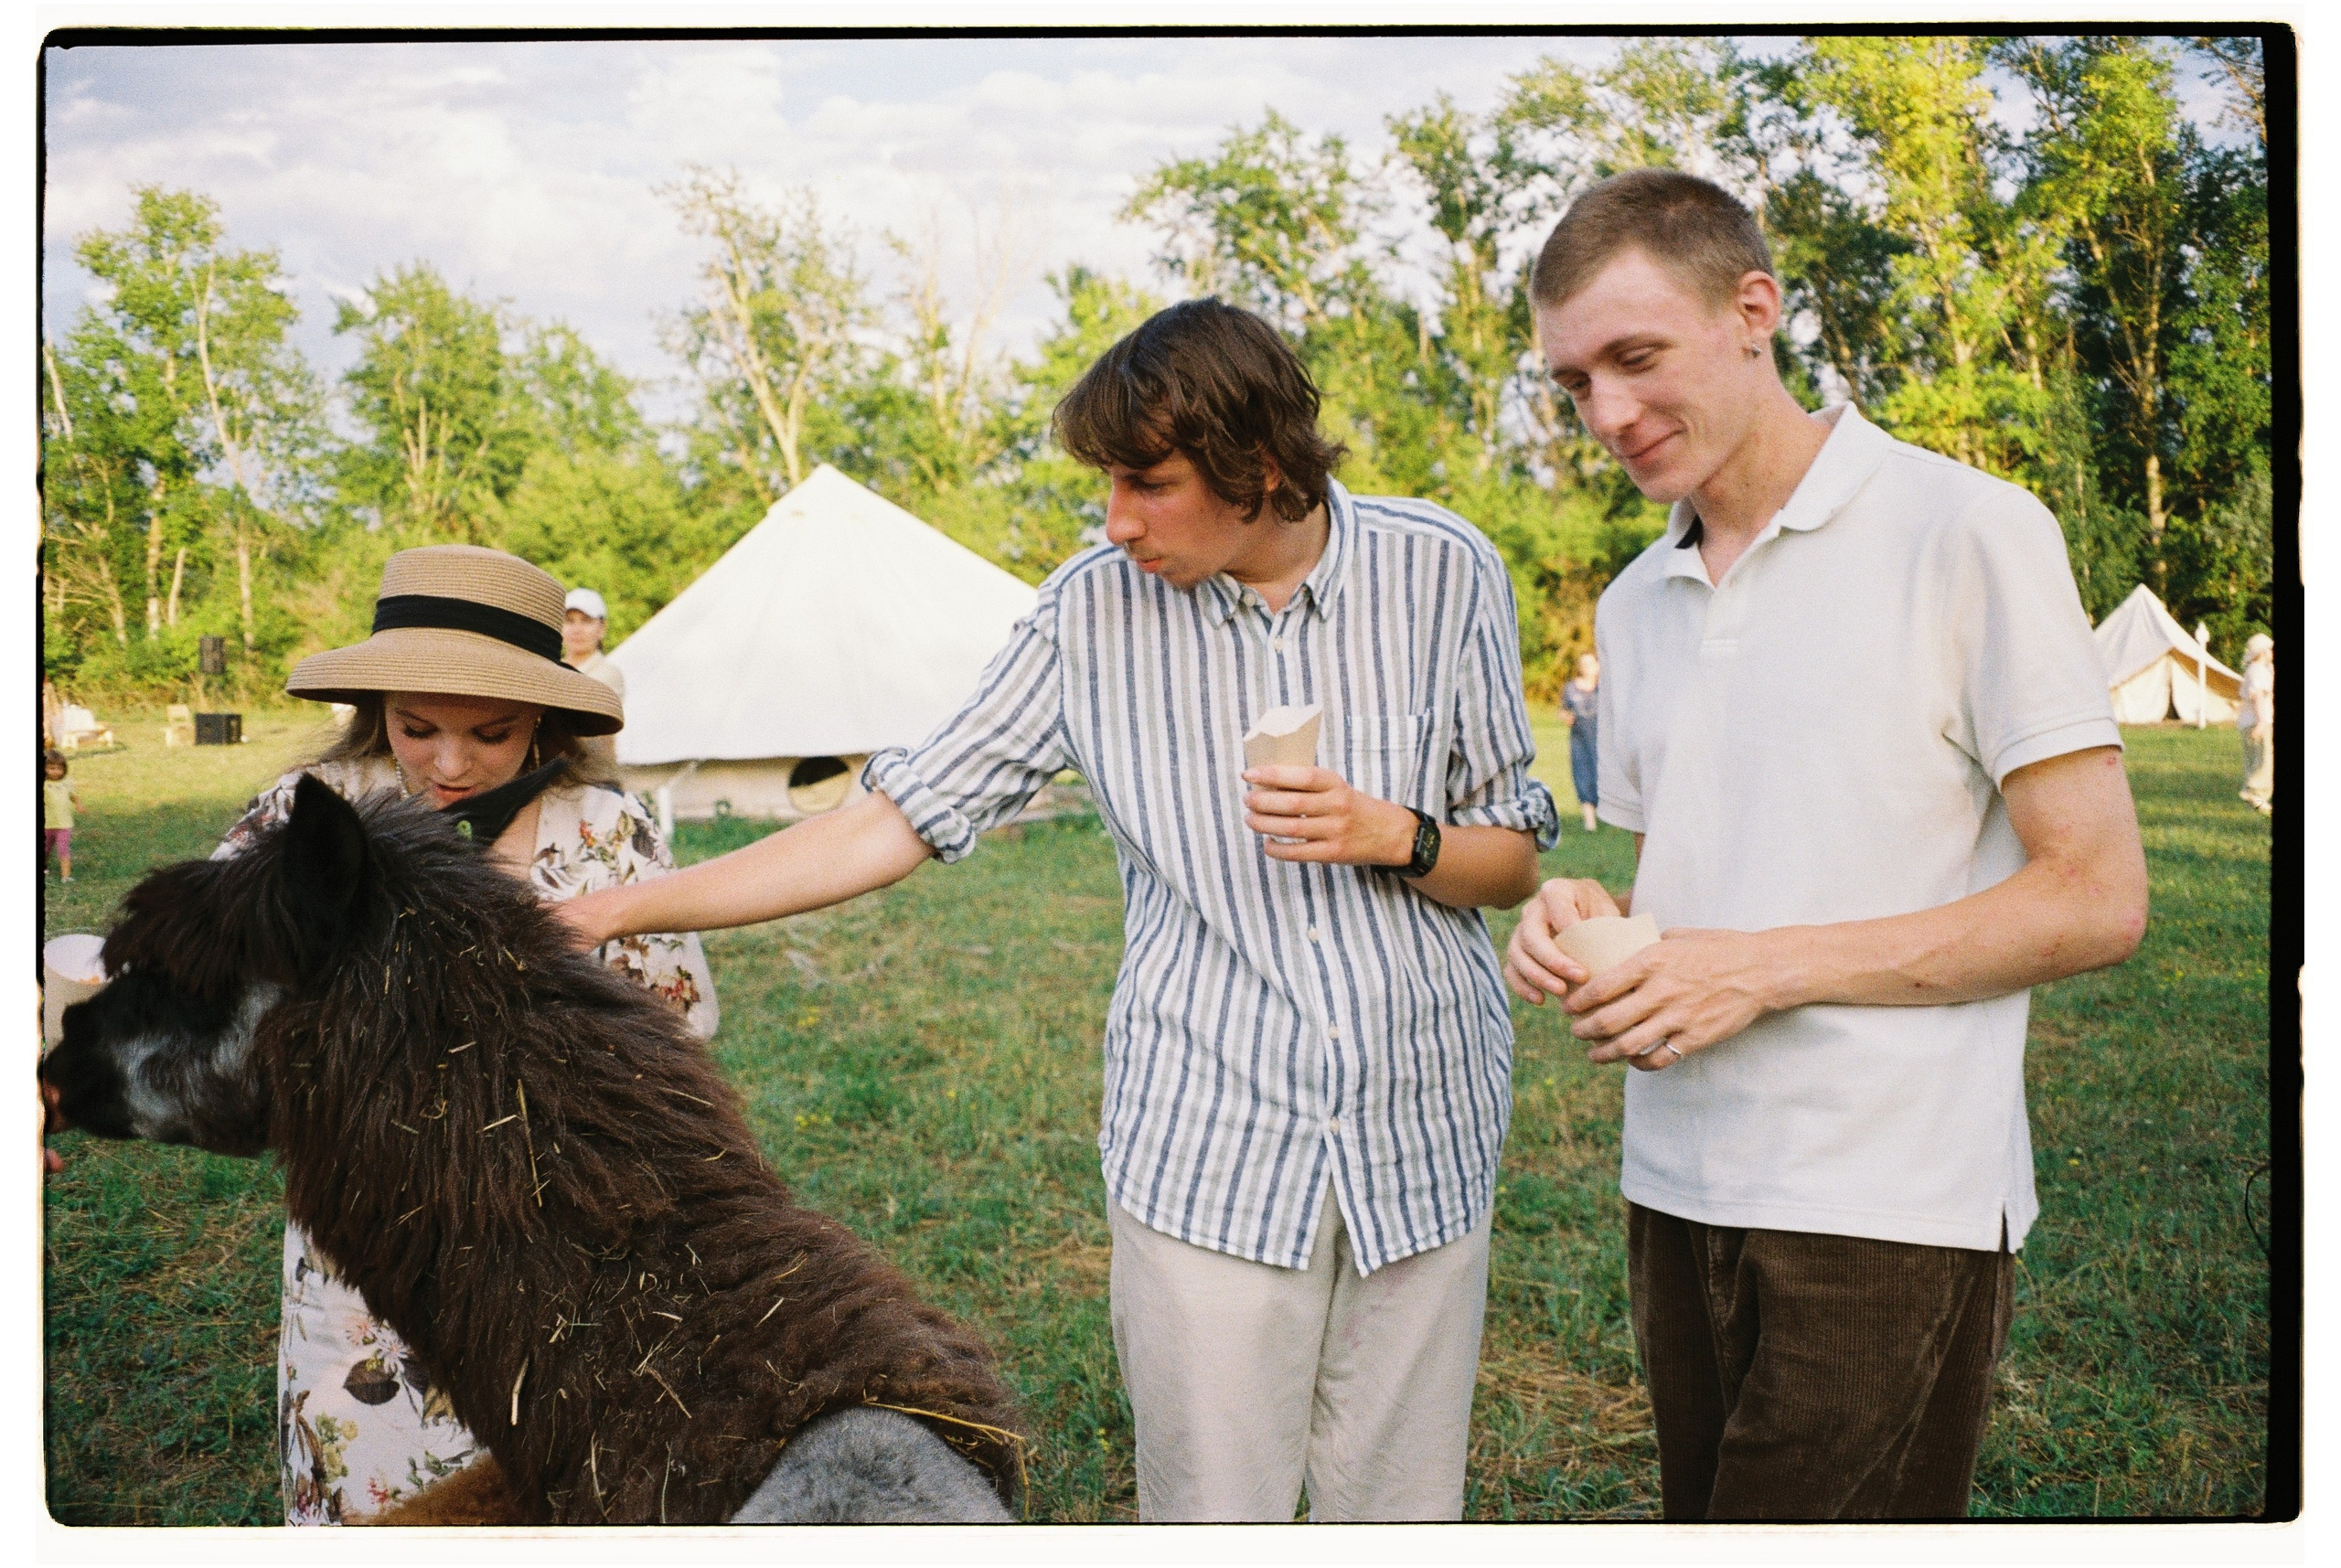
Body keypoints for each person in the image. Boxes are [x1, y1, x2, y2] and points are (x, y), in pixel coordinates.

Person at [559, 298, 1560, 1522]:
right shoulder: (1091, 611)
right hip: (1212, 1143)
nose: (1115, 519)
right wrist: (630, 902)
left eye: (1147, 482)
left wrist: (1392, 835)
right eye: (1107, 483)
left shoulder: (1443, 569)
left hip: (1424, 1127)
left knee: (1401, 1515)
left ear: (1259, 462)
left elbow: (1510, 855)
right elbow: (891, 817)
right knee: (1212, 1513)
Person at [1503, 170, 2148, 1521]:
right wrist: (1578, 911)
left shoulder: (1967, 529)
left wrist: (1761, 967)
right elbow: (1695, 871)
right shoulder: (1636, 600)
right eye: (1573, 383)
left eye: (1635, 357)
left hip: (1887, 1197)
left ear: (1755, 310)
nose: (1606, 414)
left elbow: (2096, 899)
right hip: (1673, 1181)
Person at [217, 544, 717, 1524]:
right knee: (373, 1483)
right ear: (378, 709)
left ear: (544, 715)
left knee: (548, 1482)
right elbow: (210, 996)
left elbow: (676, 1027)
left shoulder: (604, 831)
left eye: (489, 733)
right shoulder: (309, 815)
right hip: (365, 1246)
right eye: (416, 728)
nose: (448, 764)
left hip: (560, 1235)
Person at [563, 588, 625, 768]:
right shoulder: (551, 668)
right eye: (569, 621)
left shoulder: (607, 674)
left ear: (602, 628)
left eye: (586, 621)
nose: (577, 629)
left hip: (591, 771)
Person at [1560, 652, 1601, 833]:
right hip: (1580, 739)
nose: (1588, 667)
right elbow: (1563, 710)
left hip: (1601, 741)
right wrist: (1566, 717)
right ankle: (1590, 822)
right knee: (1583, 776)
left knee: (1603, 776)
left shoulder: (1605, 688)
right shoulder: (1571, 688)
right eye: (1584, 663)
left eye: (1591, 663)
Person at [2238, 632, 2274, 814]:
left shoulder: (2254, 670)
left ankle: (2252, 792)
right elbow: (2257, 696)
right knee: (2264, 759)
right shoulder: (2258, 672)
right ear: (2263, 653)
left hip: (2248, 722)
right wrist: (2261, 722)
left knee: (2253, 759)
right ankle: (2256, 792)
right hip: (2257, 722)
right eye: (2270, 650)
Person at [43, 750, 78, 882]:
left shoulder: (67, 782)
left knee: (63, 849)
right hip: (47, 824)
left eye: (59, 768)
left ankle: (66, 876)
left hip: (64, 824)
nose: (56, 771)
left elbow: (73, 795)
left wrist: (78, 804)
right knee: (45, 849)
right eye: (52, 768)